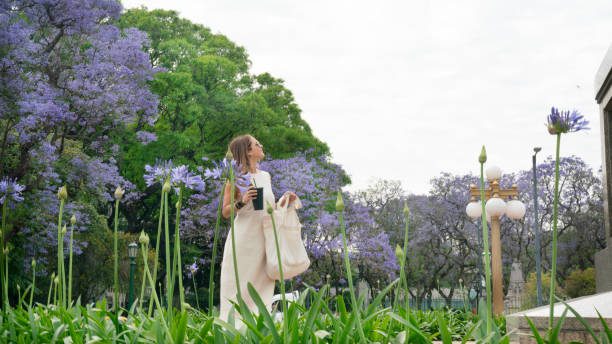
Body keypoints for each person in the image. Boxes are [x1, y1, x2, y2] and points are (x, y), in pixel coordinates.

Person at [219, 134, 296, 322]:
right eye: (256, 144)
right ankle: (234, 334)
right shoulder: (235, 178)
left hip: (264, 242)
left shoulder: (265, 176)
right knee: (238, 290)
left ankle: (259, 332)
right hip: (243, 243)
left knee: (263, 289)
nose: (261, 145)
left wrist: (284, 202)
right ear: (248, 151)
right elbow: (226, 212)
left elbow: (268, 210)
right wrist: (242, 202)